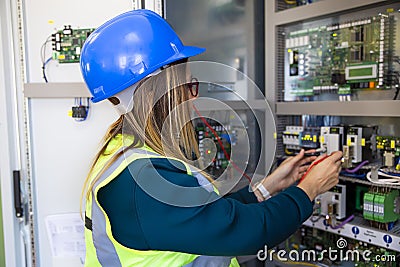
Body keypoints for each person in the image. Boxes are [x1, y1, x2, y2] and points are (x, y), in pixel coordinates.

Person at [79, 9, 343, 267]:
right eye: (188, 85)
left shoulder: (126, 155)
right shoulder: (142, 180)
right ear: (160, 90)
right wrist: (309, 189)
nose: (194, 97)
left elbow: (206, 217)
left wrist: (267, 187)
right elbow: (245, 233)